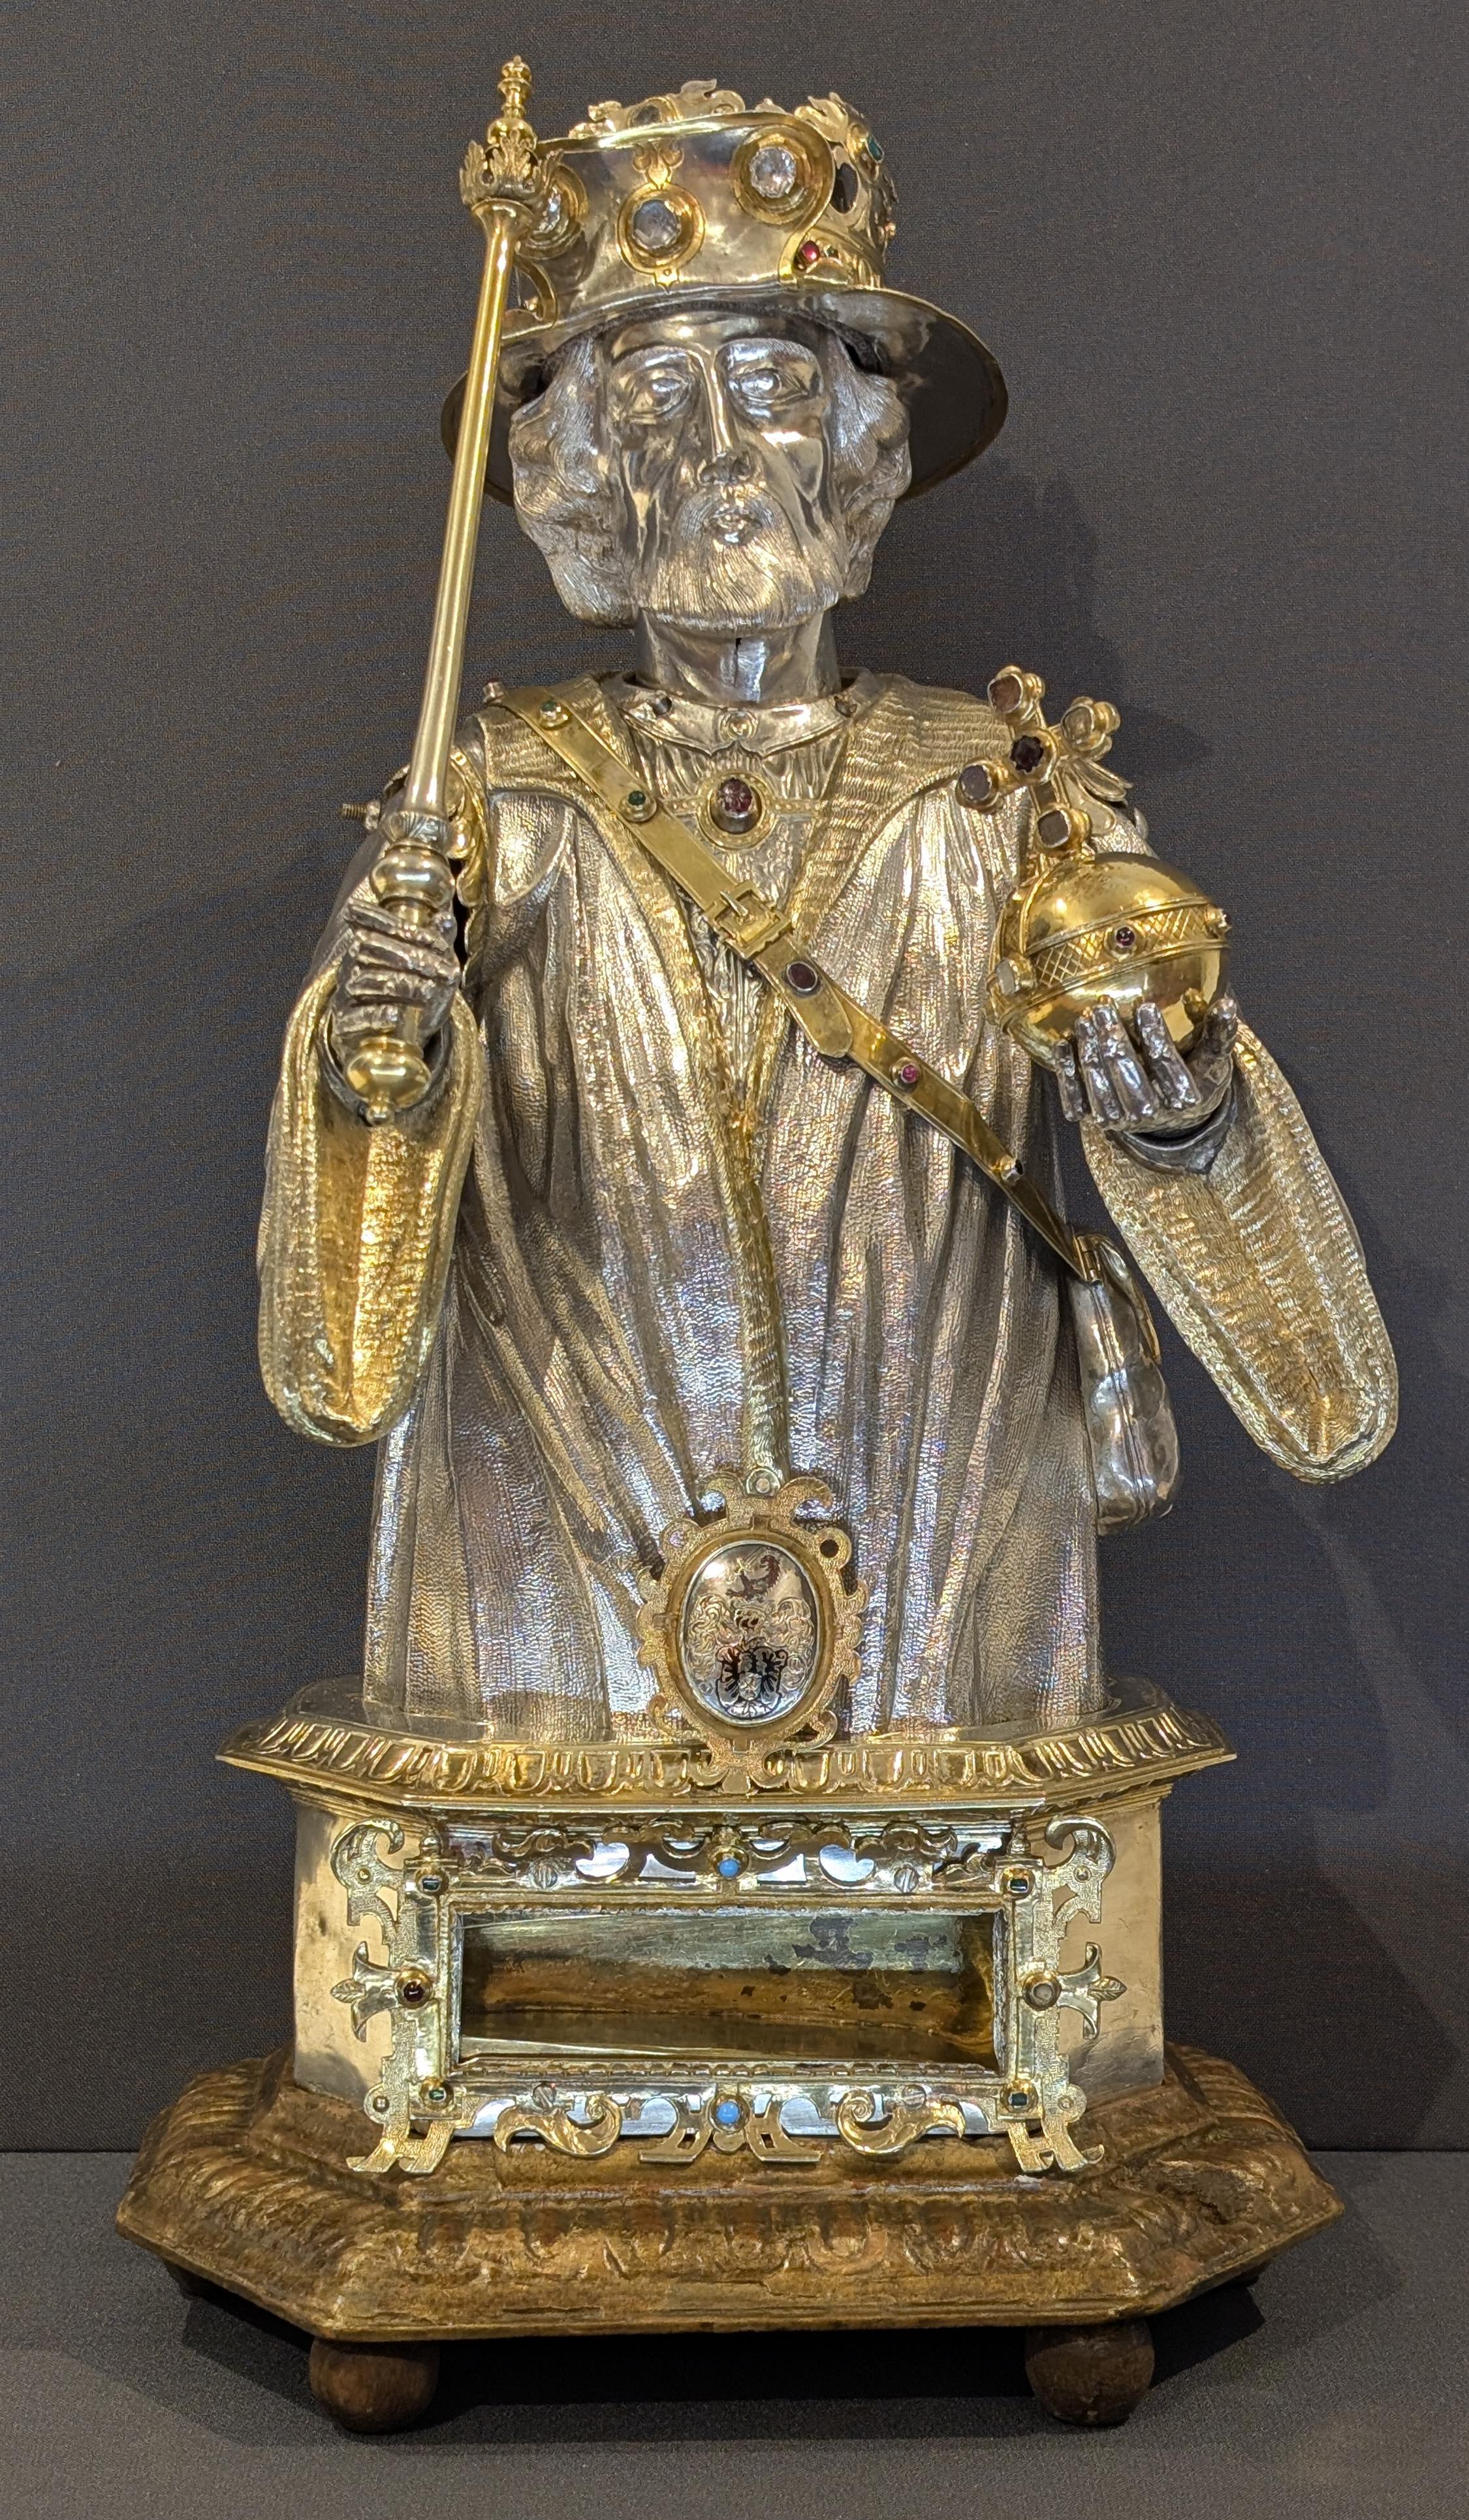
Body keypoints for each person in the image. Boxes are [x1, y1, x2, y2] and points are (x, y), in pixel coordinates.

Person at [257, 84, 1394, 1749]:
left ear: (862, 458)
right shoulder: (487, 804)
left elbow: (1215, 1162)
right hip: (560, 1547)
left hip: (931, 1523)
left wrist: (1178, 1104)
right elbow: (347, 1283)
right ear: (581, 479)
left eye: (777, 389)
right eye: (660, 397)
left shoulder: (1008, 792)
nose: (724, 452)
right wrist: (388, 1045)